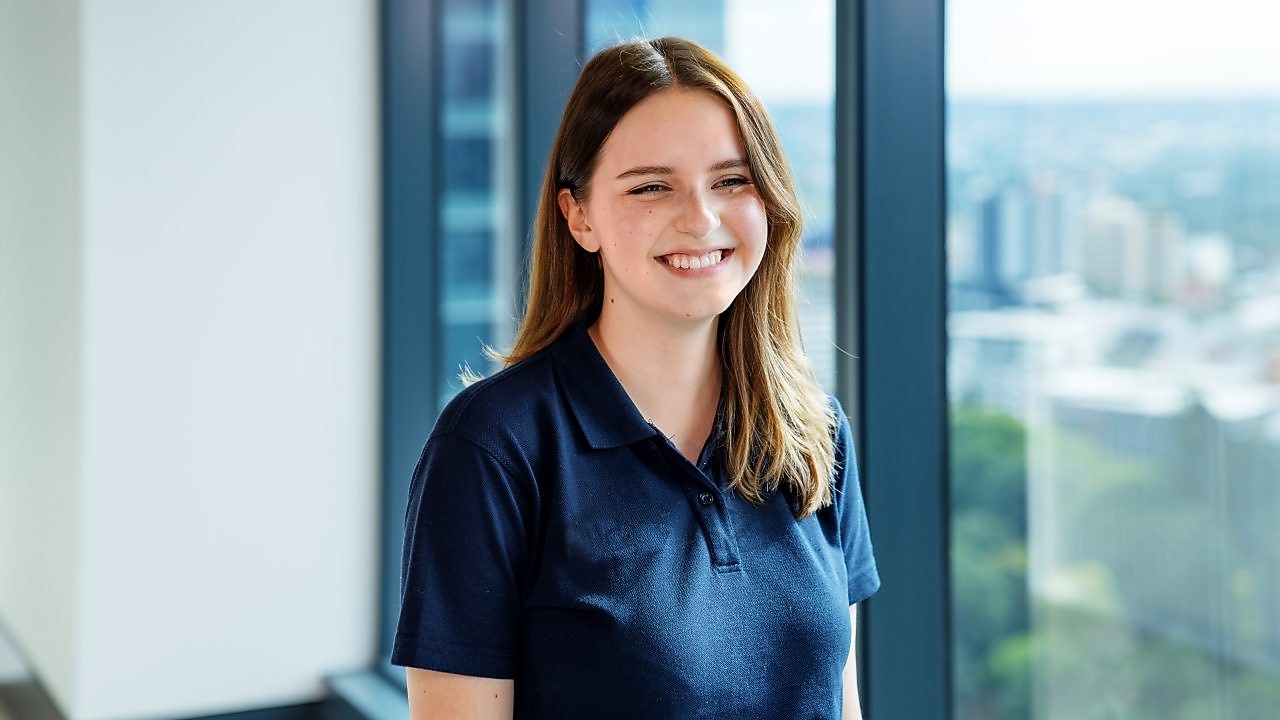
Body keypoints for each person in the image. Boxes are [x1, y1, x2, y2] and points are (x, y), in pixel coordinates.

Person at [392, 37, 879, 719]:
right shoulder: (493, 448)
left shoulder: (811, 430)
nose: (701, 218)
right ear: (579, 216)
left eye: (732, 180)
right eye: (652, 186)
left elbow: (842, 702)